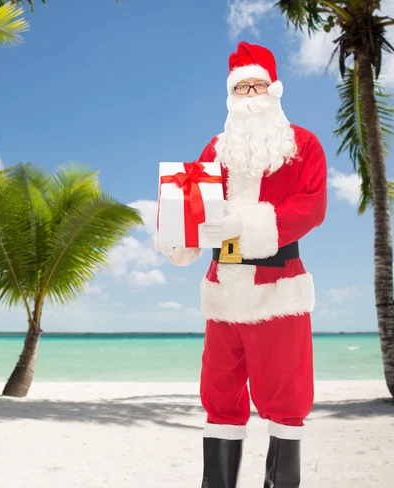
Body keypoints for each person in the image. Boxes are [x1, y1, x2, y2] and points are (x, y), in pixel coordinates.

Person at [157, 42, 327, 487]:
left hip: (278, 288)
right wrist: (177, 235)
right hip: (223, 289)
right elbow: (193, 201)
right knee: (219, 394)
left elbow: (310, 207)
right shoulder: (216, 148)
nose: (251, 95)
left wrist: (242, 224)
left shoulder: (303, 144)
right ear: (232, 95)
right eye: (242, 87)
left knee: (286, 398)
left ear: (274, 90)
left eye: (258, 86)